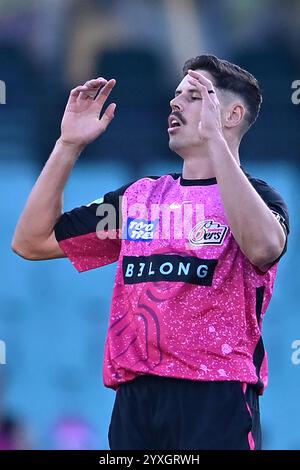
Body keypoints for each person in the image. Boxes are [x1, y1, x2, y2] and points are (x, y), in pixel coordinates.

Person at [12, 54, 289, 450]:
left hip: (215, 397)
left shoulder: (260, 198)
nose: (175, 103)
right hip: (135, 401)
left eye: (194, 96)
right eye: (176, 95)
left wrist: (215, 142)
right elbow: (31, 241)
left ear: (231, 115)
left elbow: (263, 249)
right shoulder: (139, 198)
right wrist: (68, 145)